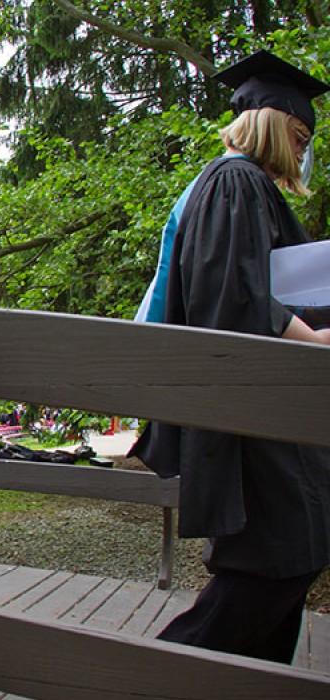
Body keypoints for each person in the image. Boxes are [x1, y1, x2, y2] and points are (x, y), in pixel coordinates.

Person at [131, 50, 330, 664]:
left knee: (288, 558)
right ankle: (141, 680)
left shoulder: (243, 186)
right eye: (299, 137)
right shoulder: (234, 181)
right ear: (270, 122)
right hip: (248, 415)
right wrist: (315, 340)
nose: (302, 154)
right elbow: (231, 295)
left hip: (264, 409)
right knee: (277, 558)